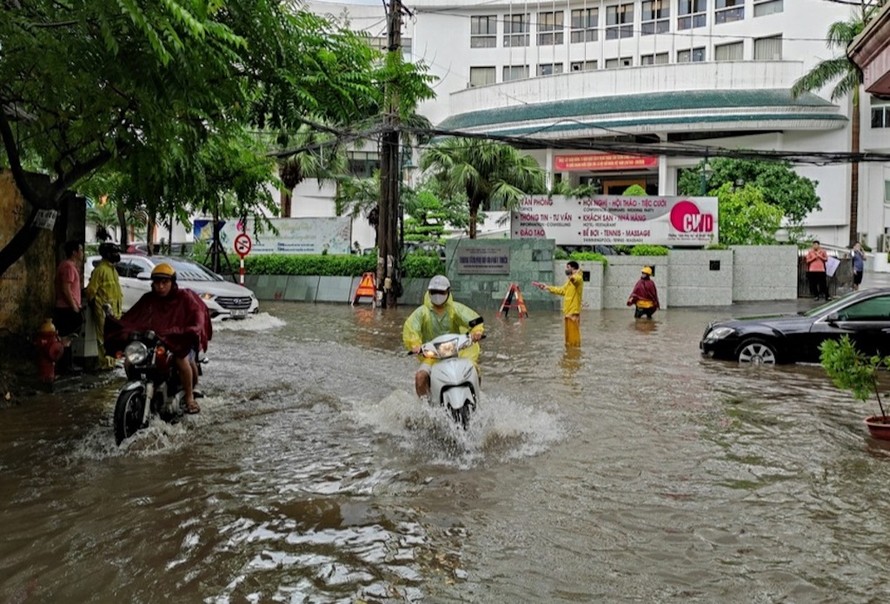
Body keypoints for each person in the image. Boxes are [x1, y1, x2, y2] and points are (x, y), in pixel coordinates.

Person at [104, 263, 212, 414]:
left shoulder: (185, 297)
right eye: (157, 282)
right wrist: (116, 324)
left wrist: (191, 329)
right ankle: (141, 390)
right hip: (154, 340)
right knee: (129, 361)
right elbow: (131, 319)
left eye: (165, 282)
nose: (160, 286)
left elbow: (197, 317)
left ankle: (189, 398)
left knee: (181, 360)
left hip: (179, 341)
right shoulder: (148, 299)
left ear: (172, 282)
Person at [403, 275, 484, 400]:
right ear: (429, 293)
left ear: (448, 292)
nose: (437, 295)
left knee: (474, 371)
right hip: (432, 357)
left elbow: (475, 320)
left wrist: (476, 332)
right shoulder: (422, 312)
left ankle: (476, 400)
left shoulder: (455, 310)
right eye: (433, 292)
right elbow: (411, 328)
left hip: (456, 353)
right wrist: (415, 345)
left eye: (441, 292)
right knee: (420, 377)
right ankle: (427, 407)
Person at [85, 242, 124, 370]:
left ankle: (111, 362)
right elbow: (91, 290)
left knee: (112, 337)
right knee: (103, 337)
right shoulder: (100, 270)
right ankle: (105, 364)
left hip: (114, 310)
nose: (117, 255)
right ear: (107, 254)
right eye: (114, 252)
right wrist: (96, 305)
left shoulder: (113, 270)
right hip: (104, 310)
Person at [533, 260, 584, 347]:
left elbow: (575, 280)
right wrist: (547, 287)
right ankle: (571, 356)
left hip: (573, 313)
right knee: (568, 341)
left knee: (573, 341)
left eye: (568, 268)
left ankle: (574, 357)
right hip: (568, 313)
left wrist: (571, 276)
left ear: (573, 268)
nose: (566, 270)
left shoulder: (578, 278)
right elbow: (561, 290)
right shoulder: (569, 282)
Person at [54, 241, 85, 372]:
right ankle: (65, 366)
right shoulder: (68, 267)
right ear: (74, 252)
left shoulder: (68, 266)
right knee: (66, 337)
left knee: (69, 336)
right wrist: (74, 306)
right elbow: (66, 288)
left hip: (67, 307)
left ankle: (67, 364)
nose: (82, 253)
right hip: (66, 308)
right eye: (81, 250)